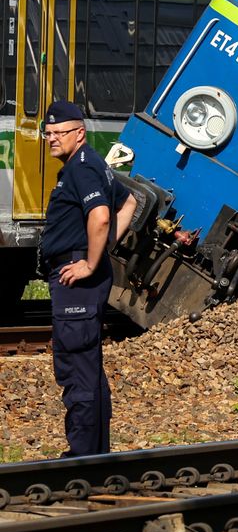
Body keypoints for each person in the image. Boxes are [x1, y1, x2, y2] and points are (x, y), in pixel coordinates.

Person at [40, 101, 136, 457]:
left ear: (79, 133)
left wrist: (91, 263)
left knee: (76, 368)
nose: (52, 138)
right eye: (48, 133)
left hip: (76, 278)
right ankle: (95, 455)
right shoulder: (91, 164)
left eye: (59, 133)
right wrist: (104, 249)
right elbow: (129, 203)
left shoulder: (80, 168)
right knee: (88, 368)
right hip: (79, 273)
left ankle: (81, 460)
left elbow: (101, 217)